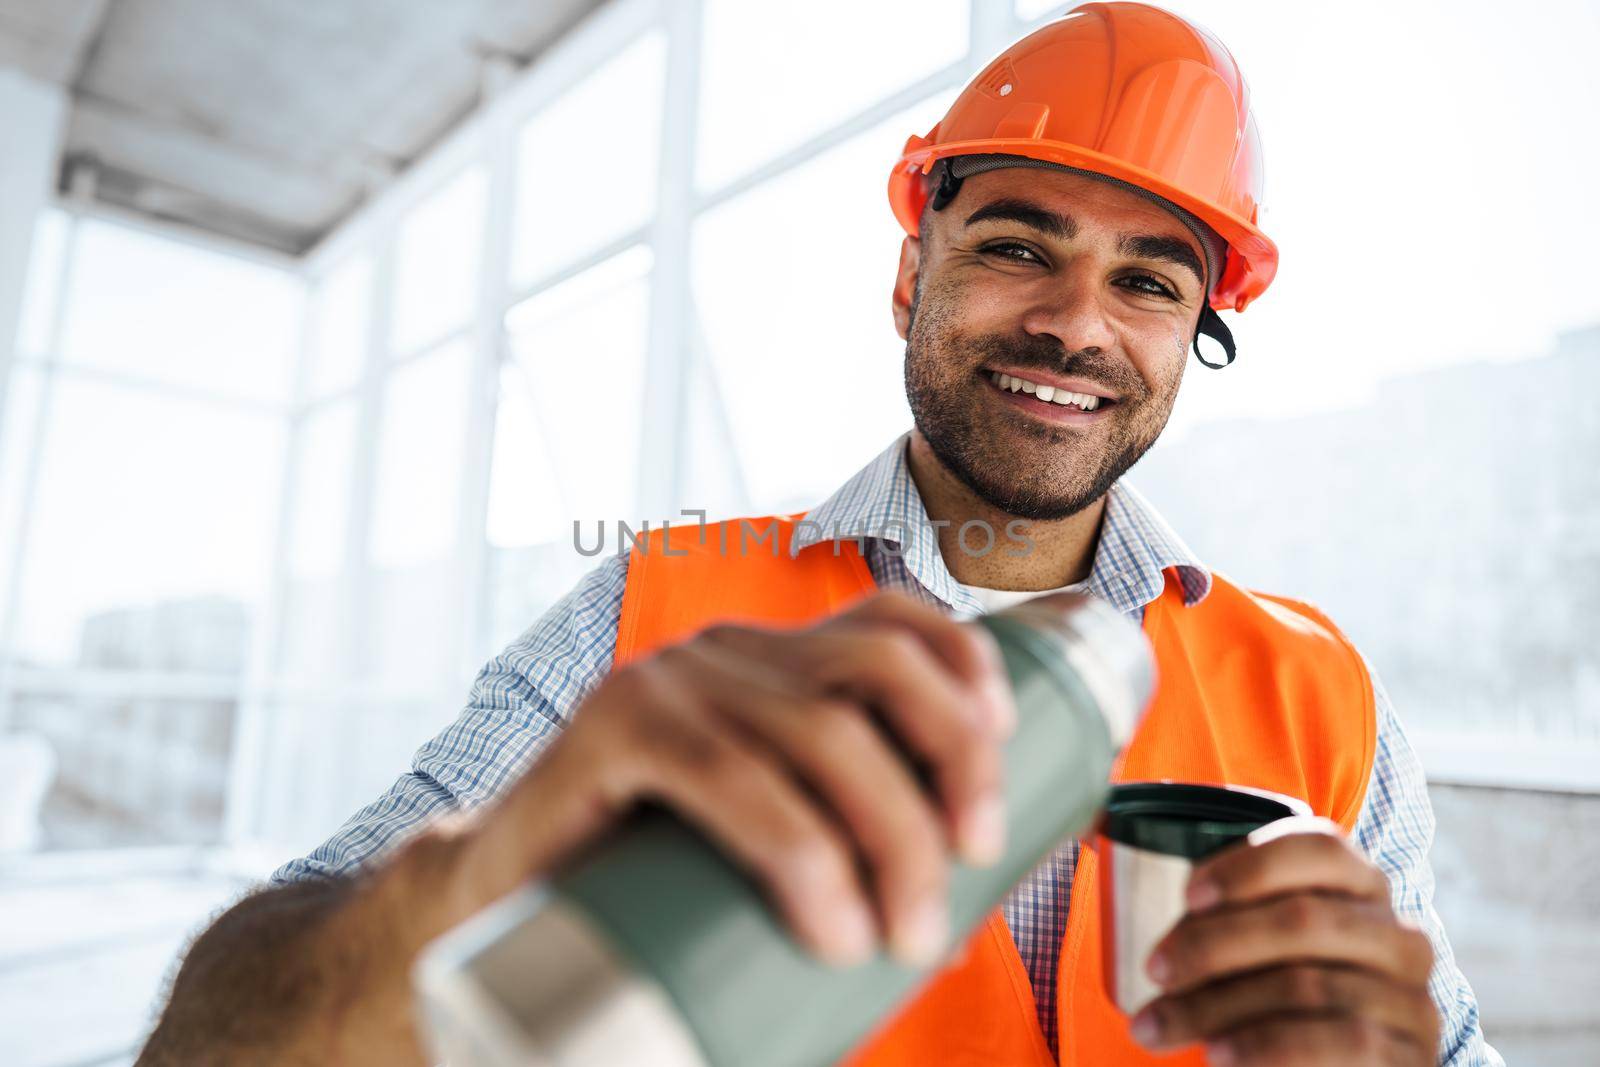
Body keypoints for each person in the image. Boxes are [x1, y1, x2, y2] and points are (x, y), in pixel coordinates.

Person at [138, 4, 1502, 1065]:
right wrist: (489, 869)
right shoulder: (656, 608)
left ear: (1192, 342)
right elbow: (220, 1044)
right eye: (1018, 247)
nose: (1078, 323)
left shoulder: (1320, 694)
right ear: (915, 275)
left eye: (1147, 281)